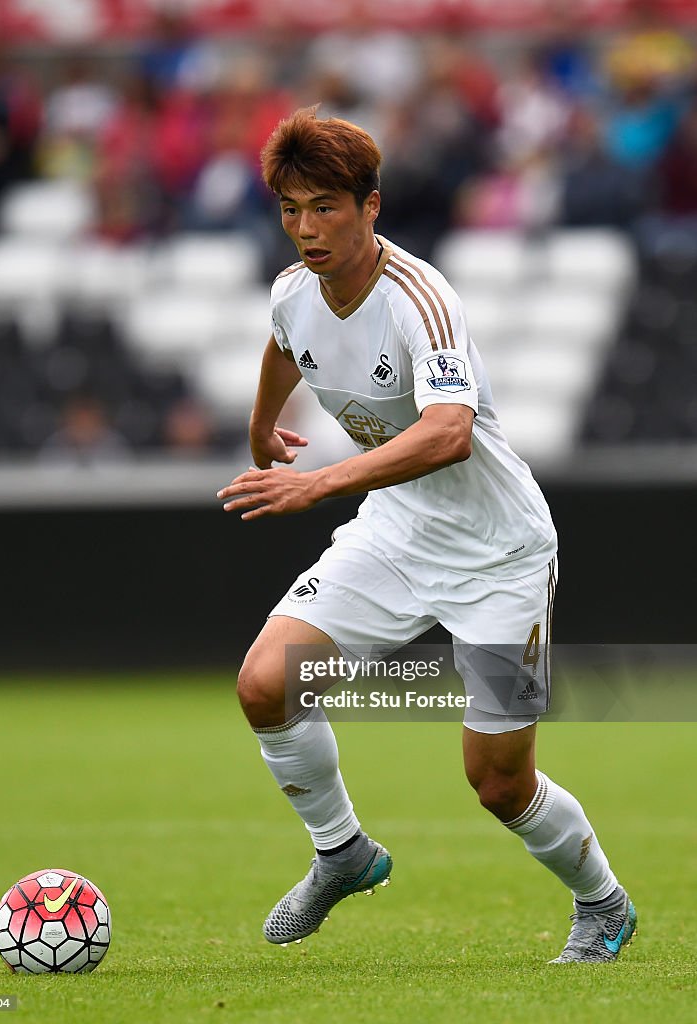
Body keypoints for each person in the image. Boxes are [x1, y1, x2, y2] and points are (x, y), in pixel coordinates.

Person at [217, 108, 637, 963]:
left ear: (371, 206)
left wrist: (320, 480)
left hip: (498, 555)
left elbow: (447, 432)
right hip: (397, 532)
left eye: (326, 207)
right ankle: (341, 852)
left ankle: (602, 904)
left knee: (496, 781)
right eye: (292, 208)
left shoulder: (421, 299)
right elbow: (282, 343)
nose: (306, 227)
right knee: (266, 684)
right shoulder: (293, 291)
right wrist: (264, 428)